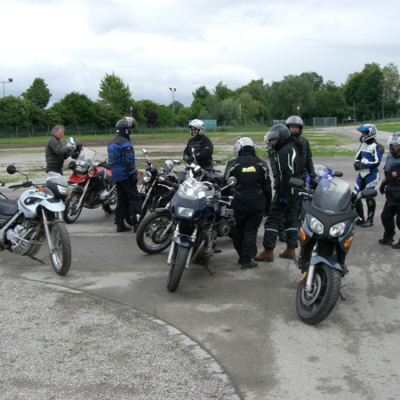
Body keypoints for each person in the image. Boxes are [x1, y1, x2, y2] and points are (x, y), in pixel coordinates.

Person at [255, 124, 302, 263]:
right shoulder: (295, 147)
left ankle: (268, 251)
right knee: (292, 218)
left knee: (272, 219)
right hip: (296, 189)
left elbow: (284, 175)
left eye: (274, 140)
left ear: (281, 138)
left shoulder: (283, 152)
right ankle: (291, 249)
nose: (272, 143)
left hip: (286, 191)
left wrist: (282, 194)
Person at [223, 137, 272, 269]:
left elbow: (225, 185)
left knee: (240, 230)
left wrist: (225, 201)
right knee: (251, 231)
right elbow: (267, 187)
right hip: (257, 203)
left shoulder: (233, 164)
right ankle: (246, 259)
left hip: (239, 202)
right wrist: (268, 205)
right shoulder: (262, 164)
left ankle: (243, 257)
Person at [107, 117, 142, 233]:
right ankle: (138, 224)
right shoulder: (125, 143)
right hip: (125, 174)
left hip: (116, 175)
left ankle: (120, 223)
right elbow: (129, 160)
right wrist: (133, 174)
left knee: (122, 199)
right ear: (126, 130)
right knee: (135, 198)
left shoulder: (112, 142)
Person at [352, 124, 384, 227]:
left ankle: (370, 220)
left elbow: (377, 162)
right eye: (362, 133)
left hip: (371, 174)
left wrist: (364, 165)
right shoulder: (363, 144)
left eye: (364, 133)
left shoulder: (377, 146)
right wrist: (357, 163)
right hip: (362, 174)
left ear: (371, 133)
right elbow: (357, 156)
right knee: (354, 196)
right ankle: (360, 218)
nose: (362, 135)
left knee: (369, 197)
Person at [378, 132, 400, 248]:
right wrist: (384, 182)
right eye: (394, 145)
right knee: (386, 216)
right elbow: (389, 172)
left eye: (398, 146)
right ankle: (388, 237)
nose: (395, 147)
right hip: (391, 193)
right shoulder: (390, 157)